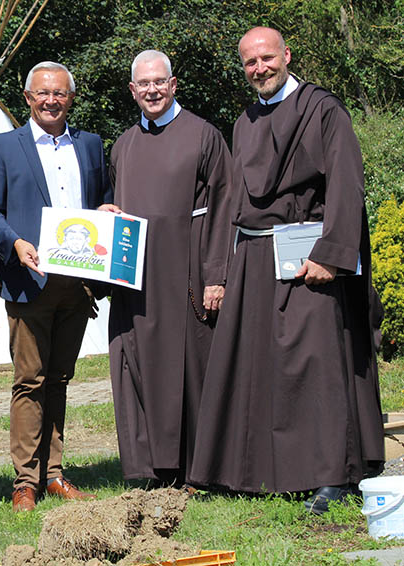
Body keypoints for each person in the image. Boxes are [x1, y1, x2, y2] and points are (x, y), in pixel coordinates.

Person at [188, 27, 384, 513]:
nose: (259, 68)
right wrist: (225, 268)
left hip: (308, 253)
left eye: (267, 58)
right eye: (250, 62)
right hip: (256, 256)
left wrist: (331, 253)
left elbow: (345, 180)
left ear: (286, 56)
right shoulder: (243, 122)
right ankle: (257, 470)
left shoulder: (323, 109)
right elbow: (234, 200)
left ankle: (331, 475)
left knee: (317, 363)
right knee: (262, 367)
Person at [0, 61, 112, 511]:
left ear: (71, 97)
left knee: (59, 379)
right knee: (29, 381)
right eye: (43, 93)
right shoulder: (3, 146)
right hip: (28, 280)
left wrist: (108, 212)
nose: (51, 100)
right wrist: (14, 243)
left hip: (77, 284)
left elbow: (99, 203)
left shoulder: (91, 145)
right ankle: (24, 481)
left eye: (59, 93)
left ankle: (54, 473)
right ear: (28, 97)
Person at [99, 50, 233, 486]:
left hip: (188, 274)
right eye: (144, 84)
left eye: (160, 82)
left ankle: (199, 467)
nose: (152, 90)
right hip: (136, 282)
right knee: (137, 363)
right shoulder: (122, 145)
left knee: (192, 366)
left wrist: (217, 275)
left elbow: (225, 207)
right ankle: (147, 467)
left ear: (173, 85)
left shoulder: (204, 135)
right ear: (133, 90)